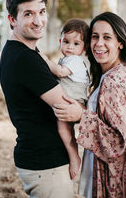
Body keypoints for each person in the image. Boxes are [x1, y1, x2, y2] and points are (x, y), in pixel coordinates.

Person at [53, 12, 126, 198]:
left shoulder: (115, 81)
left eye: (107, 37)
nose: (99, 43)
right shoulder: (118, 73)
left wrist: (81, 116)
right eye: (94, 37)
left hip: (113, 176)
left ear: (120, 42)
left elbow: (118, 141)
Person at [0, 0, 76, 198]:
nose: (38, 20)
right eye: (29, 14)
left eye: (41, 11)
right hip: (45, 164)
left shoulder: (24, 52)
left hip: (42, 160)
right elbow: (67, 106)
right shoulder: (24, 59)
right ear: (12, 20)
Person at [40, 18, 90, 179]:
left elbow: (60, 72)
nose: (69, 46)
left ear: (84, 47)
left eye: (76, 43)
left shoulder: (76, 60)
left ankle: (74, 156)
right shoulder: (69, 58)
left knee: (64, 129)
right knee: (63, 129)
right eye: (66, 41)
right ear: (60, 41)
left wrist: (44, 59)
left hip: (74, 101)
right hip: (69, 99)